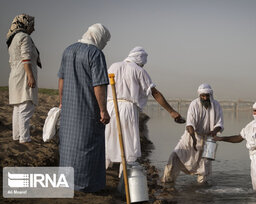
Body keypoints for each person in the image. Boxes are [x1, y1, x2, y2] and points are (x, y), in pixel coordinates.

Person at [105, 46, 185, 177]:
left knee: (109, 137)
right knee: (129, 141)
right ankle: (123, 174)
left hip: (110, 106)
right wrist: (171, 111)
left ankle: (105, 169)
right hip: (128, 108)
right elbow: (155, 93)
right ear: (139, 59)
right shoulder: (139, 70)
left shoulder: (114, 66)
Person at [58, 23, 111, 192]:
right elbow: (99, 85)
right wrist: (103, 110)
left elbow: (62, 79)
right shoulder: (95, 54)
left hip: (69, 107)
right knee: (87, 144)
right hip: (87, 108)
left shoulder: (68, 50)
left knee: (69, 144)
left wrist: (61, 101)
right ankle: (85, 184)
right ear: (99, 37)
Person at [161, 83, 224, 184]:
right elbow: (190, 124)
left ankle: (202, 191)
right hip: (192, 136)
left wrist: (214, 131)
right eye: (203, 96)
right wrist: (193, 138)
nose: (205, 98)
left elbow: (220, 124)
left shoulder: (216, 105)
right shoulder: (194, 104)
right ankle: (167, 182)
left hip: (210, 138)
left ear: (210, 95)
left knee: (205, 167)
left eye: (207, 95)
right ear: (199, 95)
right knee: (175, 156)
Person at [7, 14, 41, 143]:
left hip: (15, 76)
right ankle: (24, 137)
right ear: (25, 24)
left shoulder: (13, 39)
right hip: (23, 76)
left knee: (18, 108)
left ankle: (16, 136)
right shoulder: (25, 38)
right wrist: (30, 76)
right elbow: (26, 59)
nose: (33, 29)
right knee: (26, 107)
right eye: (32, 25)